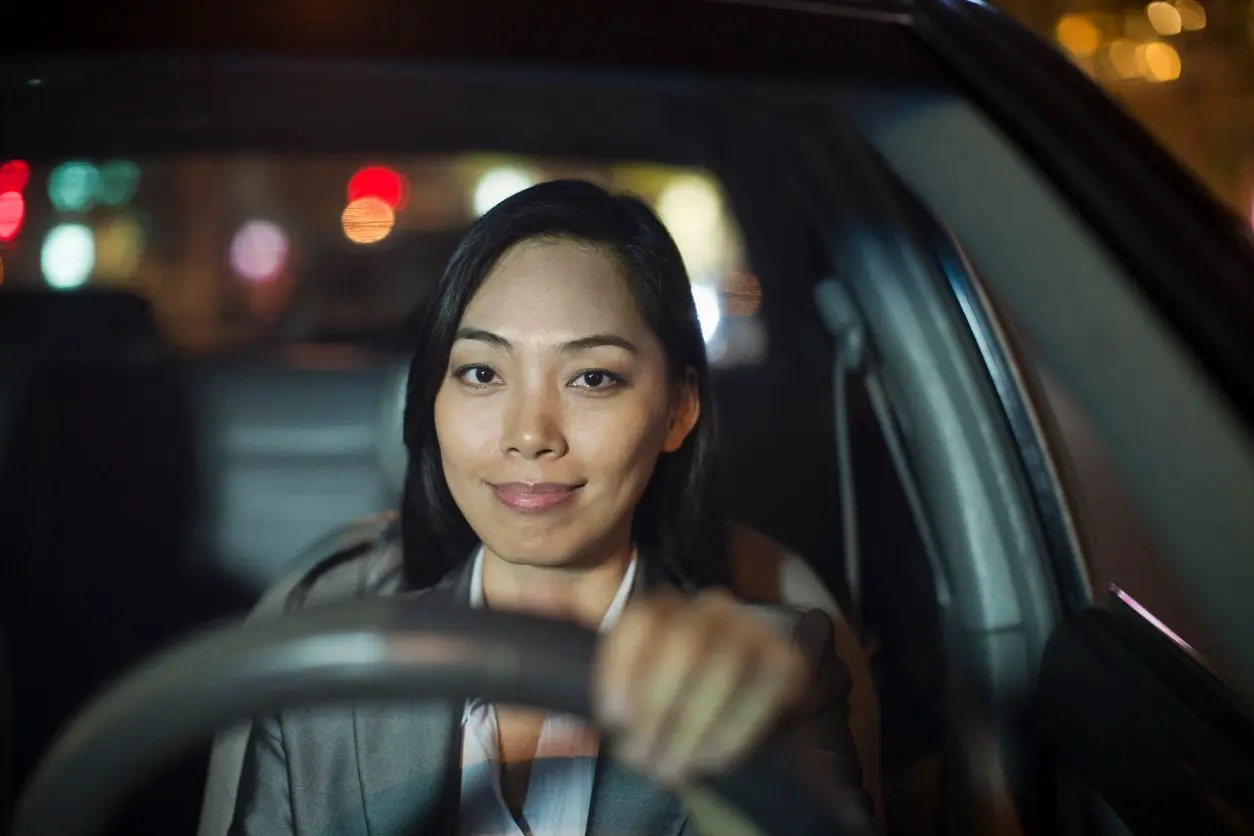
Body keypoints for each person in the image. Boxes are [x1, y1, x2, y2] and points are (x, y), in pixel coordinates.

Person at [226, 179, 868, 835]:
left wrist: (744, 755)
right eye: (482, 373)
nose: (530, 434)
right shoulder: (327, 668)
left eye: (593, 378)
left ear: (679, 409)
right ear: (431, 398)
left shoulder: (772, 671)